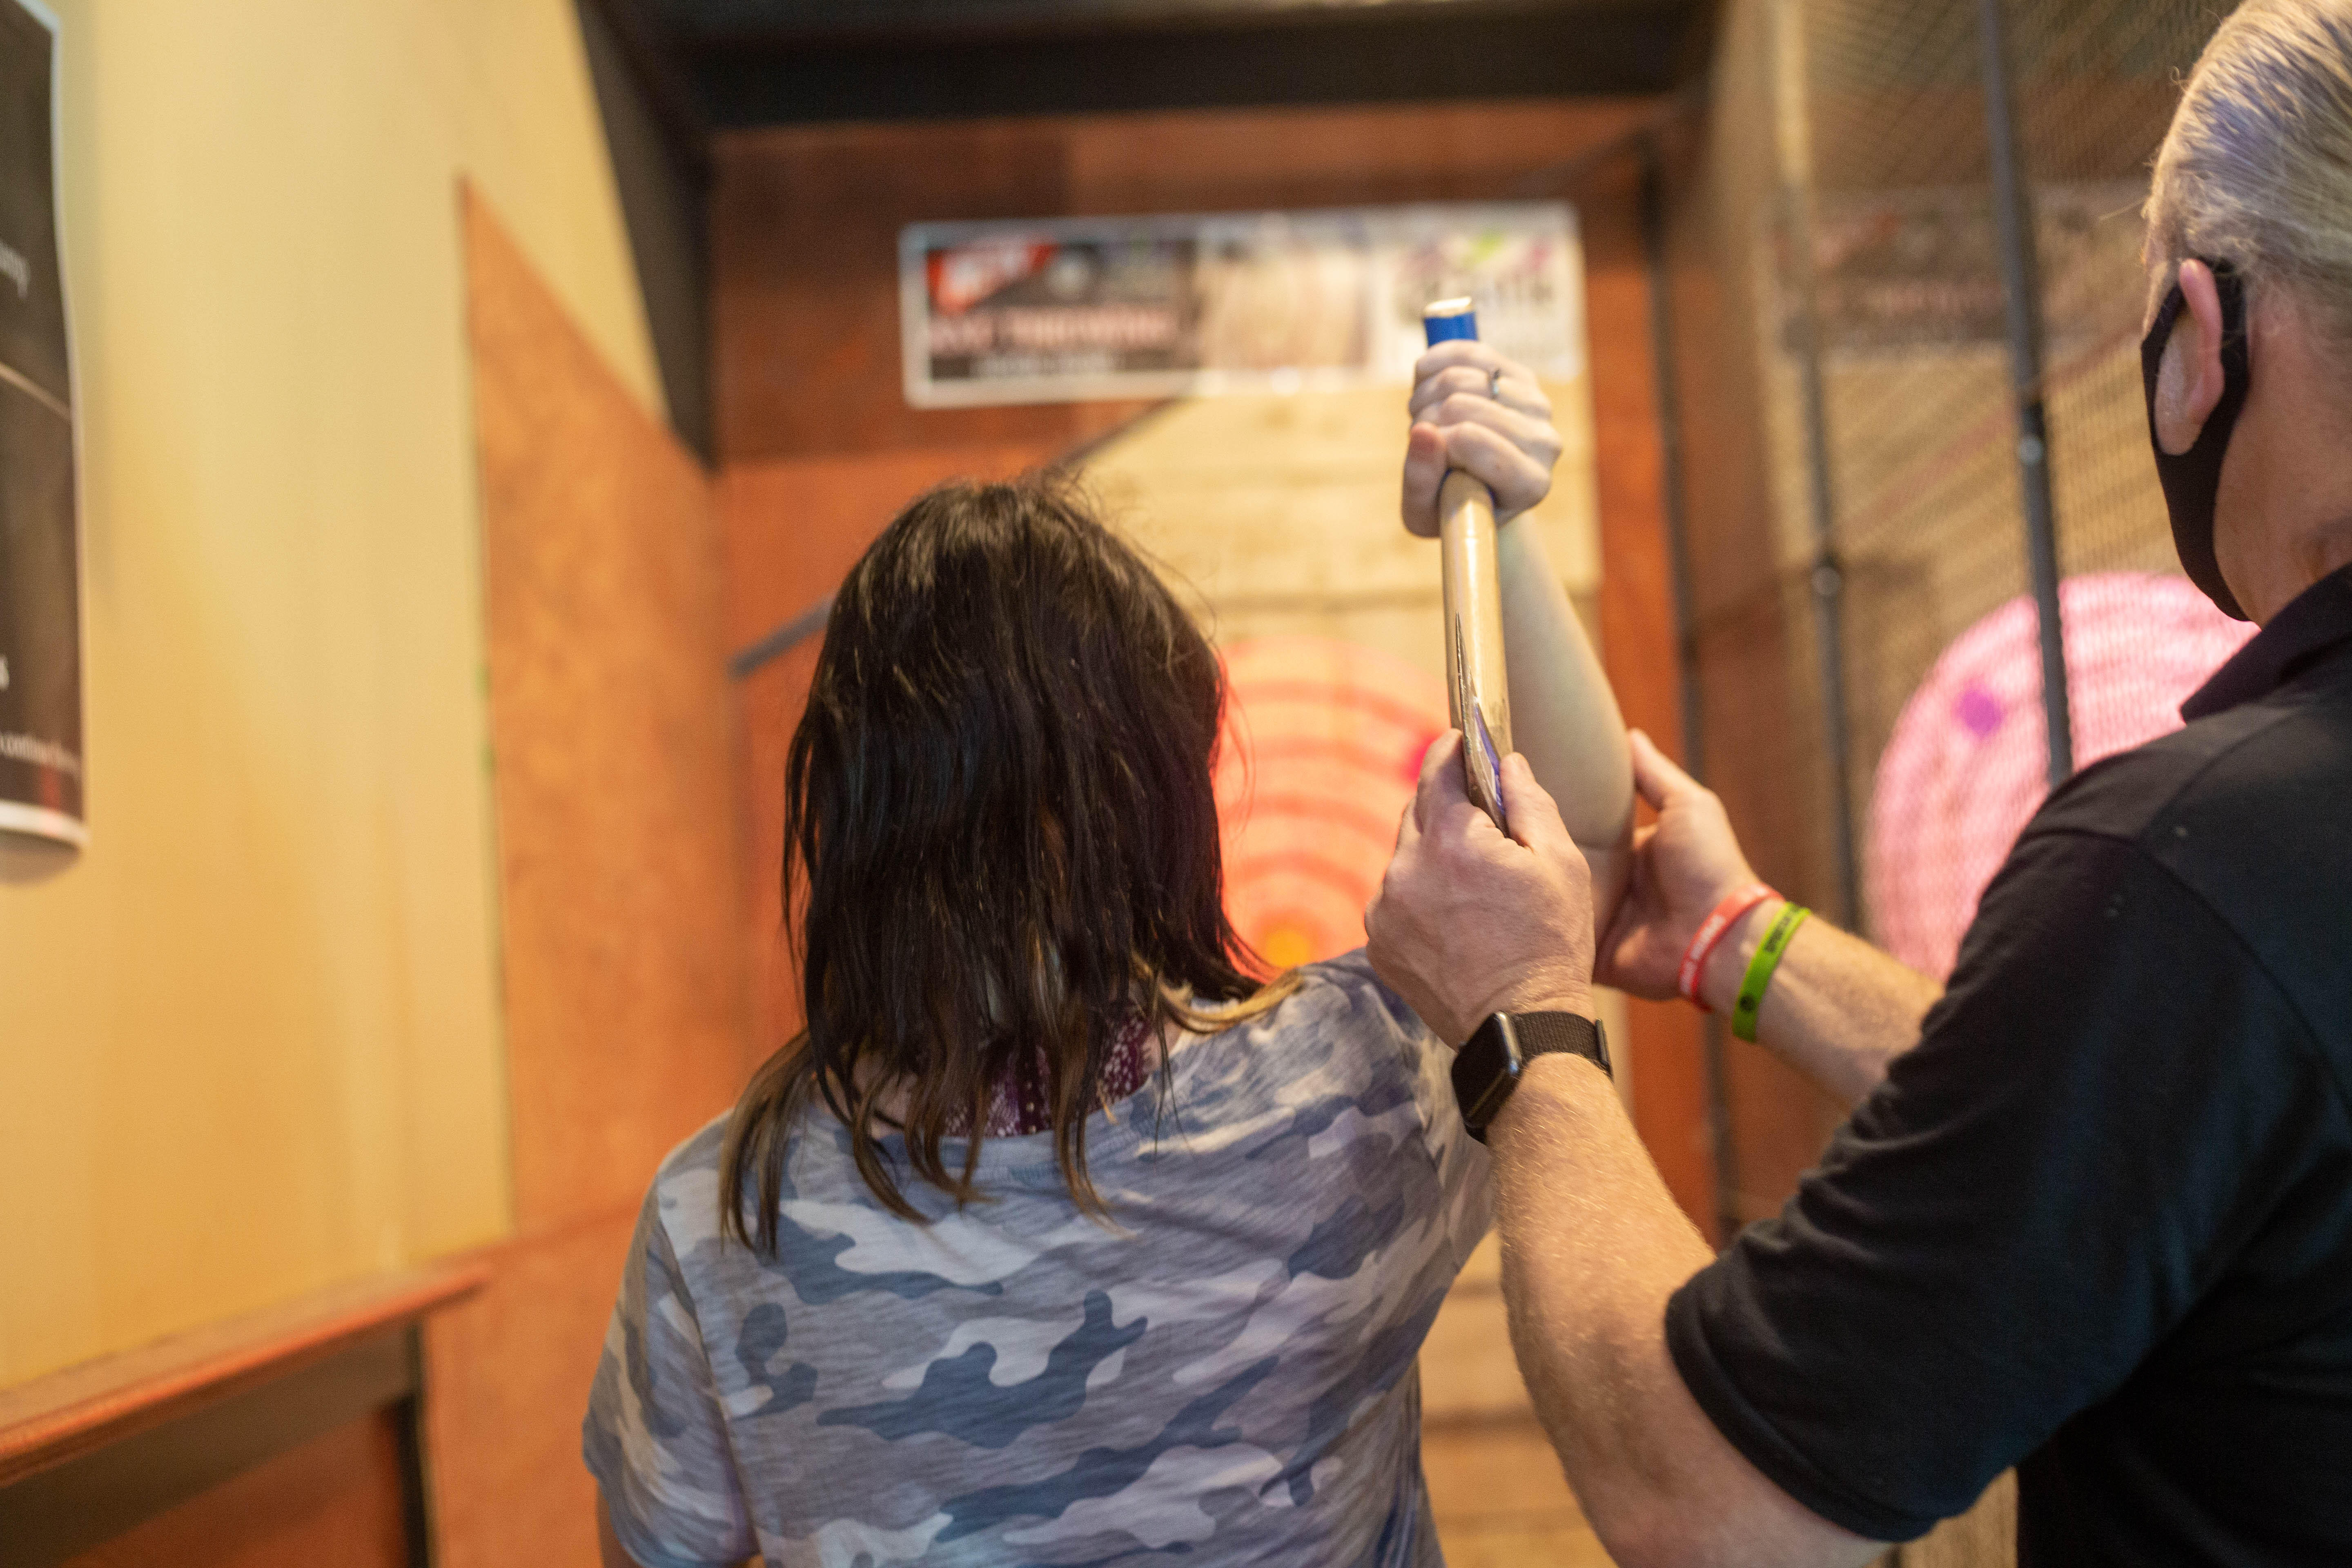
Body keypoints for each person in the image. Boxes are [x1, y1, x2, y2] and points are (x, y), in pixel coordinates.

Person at [1365, 5, 2352, 1565]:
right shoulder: (2224, 907)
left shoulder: (2201, 862)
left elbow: (1713, 1503)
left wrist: (1518, 1016)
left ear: (2198, 338)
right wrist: (1737, 941)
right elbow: (2124, 1127)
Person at [582, 436, 1629, 1566]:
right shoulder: (1353, 1085)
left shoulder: (722, 1212)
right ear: (1152, 799)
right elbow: (1581, 861)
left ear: (851, 812)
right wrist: (1500, 525)